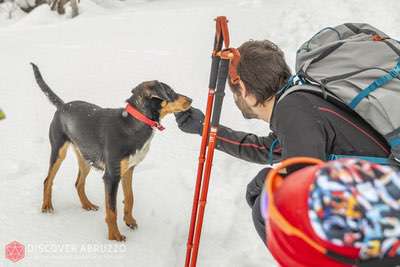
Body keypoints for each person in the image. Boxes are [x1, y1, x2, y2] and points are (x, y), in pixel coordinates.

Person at [174, 40, 390, 245]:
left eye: (235, 93)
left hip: (384, 217)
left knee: (271, 205)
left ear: (244, 91)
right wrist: (206, 129)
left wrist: (266, 182)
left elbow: (304, 199)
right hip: (382, 204)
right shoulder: (298, 104)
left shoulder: (293, 112)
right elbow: (265, 149)